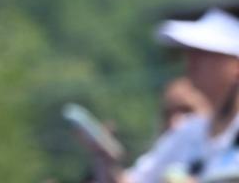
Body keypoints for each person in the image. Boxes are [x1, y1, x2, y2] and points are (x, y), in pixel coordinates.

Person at [88, 9, 239, 183]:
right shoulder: (188, 132)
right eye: (191, 52)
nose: (191, 60)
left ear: (236, 66)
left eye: (206, 53)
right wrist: (106, 160)